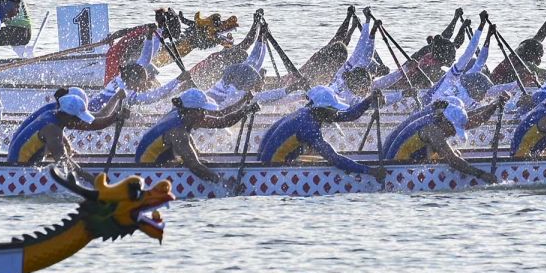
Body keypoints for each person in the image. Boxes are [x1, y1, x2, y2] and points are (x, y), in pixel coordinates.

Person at [254, 86, 386, 179]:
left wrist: (368, 100)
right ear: (323, 109)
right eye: (334, 109)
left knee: (308, 147)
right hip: (273, 171)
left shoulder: (308, 112)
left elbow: (350, 115)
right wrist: (370, 171)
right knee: (319, 149)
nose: (336, 112)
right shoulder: (309, 127)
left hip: (268, 161)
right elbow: (335, 160)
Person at [134, 88, 256, 184]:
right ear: (192, 111)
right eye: (202, 111)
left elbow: (222, 121)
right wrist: (224, 183)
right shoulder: (177, 132)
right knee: (196, 162)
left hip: (159, 164)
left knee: (199, 159)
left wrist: (245, 110)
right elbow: (195, 167)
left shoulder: (181, 113)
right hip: (147, 173)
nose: (204, 115)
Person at [6, 89, 126, 179]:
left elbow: (62, 142)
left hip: (23, 161)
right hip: (17, 171)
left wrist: (115, 116)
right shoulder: (52, 129)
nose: (80, 122)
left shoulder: (54, 114)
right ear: (69, 117)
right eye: (78, 118)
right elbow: (65, 164)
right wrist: (92, 180)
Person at [381, 96, 498, 184]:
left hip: (404, 164)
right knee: (452, 155)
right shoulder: (432, 130)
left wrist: (494, 106)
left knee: (450, 153)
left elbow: (474, 121)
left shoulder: (434, 120)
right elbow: (452, 161)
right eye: (453, 129)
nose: (453, 134)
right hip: (398, 173)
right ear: (445, 121)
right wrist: (481, 174)